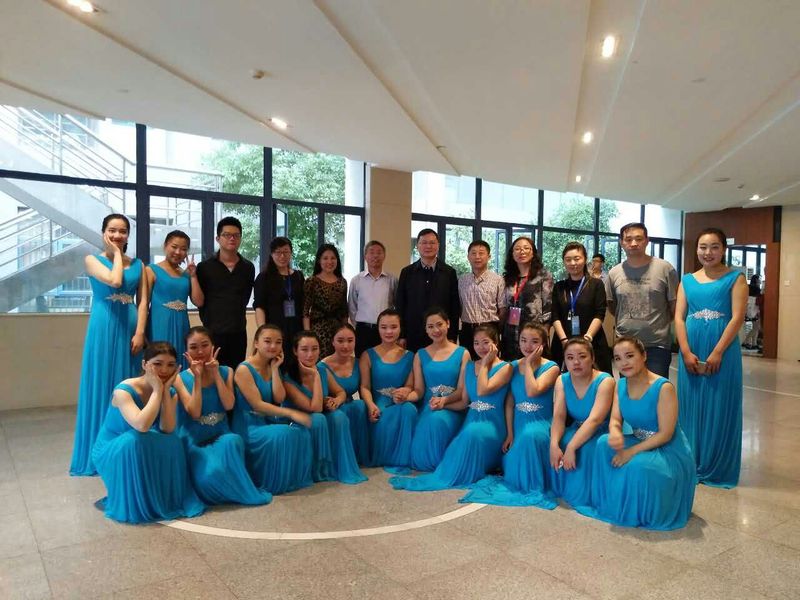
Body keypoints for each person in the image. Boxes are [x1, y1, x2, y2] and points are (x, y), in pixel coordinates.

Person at [588, 337, 696, 530]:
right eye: (618, 358)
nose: (624, 363)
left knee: (636, 465)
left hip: (667, 449)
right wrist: (615, 432)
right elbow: (615, 420)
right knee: (603, 443)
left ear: (644, 355)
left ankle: (642, 510)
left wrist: (630, 452)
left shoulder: (663, 387)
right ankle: (612, 502)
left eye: (629, 356)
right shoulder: (620, 385)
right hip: (639, 439)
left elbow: (665, 434)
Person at [91, 342, 205, 523]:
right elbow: (142, 425)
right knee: (135, 439)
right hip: (113, 447)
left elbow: (167, 428)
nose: (164, 370)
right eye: (157, 364)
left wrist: (165, 392)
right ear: (144, 364)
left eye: (170, 365)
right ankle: (137, 499)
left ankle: (163, 498)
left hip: (140, 439)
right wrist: (157, 391)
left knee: (173, 441)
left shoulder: (171, 391)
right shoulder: (124, 390)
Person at [389, 325, 512, 492]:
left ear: (495, 343)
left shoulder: (506, 368)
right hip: (471, 422)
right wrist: (443, 404)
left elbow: (482, 389)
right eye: (476, 343)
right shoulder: (470, 366)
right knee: (461, 442)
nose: (480, 347)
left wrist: (484, 364)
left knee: (471, 436)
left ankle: (489, 462)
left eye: (485, 342)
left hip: (492, 425)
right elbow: (463, 402)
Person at [71, 213, 148, 476]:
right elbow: (115, 281)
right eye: (112, 230)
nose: (118, 235)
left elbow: (143, 302)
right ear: (103, 232)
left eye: (123, 231)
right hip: (104, 327)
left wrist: (140, 332)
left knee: (128, 383)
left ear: (128, 235)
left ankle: (124, 450)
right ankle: (98, 452)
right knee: (101, 383)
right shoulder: (91, 260)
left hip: (130, 327)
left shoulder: (139, 264)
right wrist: (116, 253)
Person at [675, 228, 746, 488]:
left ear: (724, 249)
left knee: (719, 402)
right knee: (691, 405)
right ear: (696, 249)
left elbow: (737, 318)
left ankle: (717, 465)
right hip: (691, 348)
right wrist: (685, 351)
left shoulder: (735, 278)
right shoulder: (687, 280)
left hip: (723, 350)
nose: (708, 252)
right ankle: (691, 461)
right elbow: (678, 317)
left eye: (715, 247)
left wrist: (718, 352)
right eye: (703, 247)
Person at [462, 323, 560, 508]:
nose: (528, 346)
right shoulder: (512, 366)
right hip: (518, 422)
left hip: (540, 422)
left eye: (534, 341)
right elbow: (509, 403)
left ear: (543, 344)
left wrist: (529, 365)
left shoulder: (552, 367)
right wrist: (509, 433)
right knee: (518, 449)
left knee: (531, 436)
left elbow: (532, 391)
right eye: (523, 340)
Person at [173, 327, 271, 506]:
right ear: (186, 351)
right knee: (208, 478)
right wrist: (197, 378)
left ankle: (235, 487)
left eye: (205, 345)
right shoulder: (180, 378)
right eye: (194, 347)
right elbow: (194, 412)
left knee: (233, 441)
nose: (200, 351)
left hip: (221, 433)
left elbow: (228, 405)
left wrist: (215, 374)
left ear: (213, 346)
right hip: (195, 438)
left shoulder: (227, 371)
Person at [232, 325, 313, 494]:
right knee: (284, 433)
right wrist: (291, 413)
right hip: (249, 426)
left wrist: (275, 369)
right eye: (267, 341)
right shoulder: (244, 369)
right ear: (256, 343)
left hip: (267, 420)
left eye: (278, 342)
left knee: (302, 432)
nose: (273, 346)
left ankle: (291, 480)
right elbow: (257, 405)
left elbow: (279, 398)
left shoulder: (272, 365)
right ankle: (273, 482)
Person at [283, 331, 367, 484]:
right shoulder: (288, 378)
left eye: (314, 349)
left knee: (339, 416)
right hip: (297, 419)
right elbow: (314, 408)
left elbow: (341, 392)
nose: (310, 354)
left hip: (318, 413)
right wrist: (315, 376)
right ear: (295, 351)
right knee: (318, 418)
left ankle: (337, 465)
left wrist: (336, 401)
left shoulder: (322, 370)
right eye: (304, 349)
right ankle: (317, 469)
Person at [605, 223, 679, 377]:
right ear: (621, 242)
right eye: (628, 239)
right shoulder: (614, 273)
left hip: (657, 344)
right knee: (629, 388)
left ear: (647, 241)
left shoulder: (665, 269)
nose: (633, 243)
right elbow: (613, 306)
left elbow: (674, 305)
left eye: (638, 239)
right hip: (625, 344)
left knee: (656, 388)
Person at [549, 338, 614, 510]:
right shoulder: (562, 380)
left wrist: (572, 447)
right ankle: (567, 489)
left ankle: (592, 494)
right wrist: (554, 444)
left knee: (587, 447)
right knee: (559, 442)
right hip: (578, 427)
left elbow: (595, 420)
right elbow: (559, 416)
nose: (576, 362)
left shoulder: (605, 381)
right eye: (570, 358)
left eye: (582, 356)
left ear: (592, 358)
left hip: (601, 430)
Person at [406, 308, 470, 472]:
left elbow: (461, 390)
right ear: (426, 330)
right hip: (430, 407)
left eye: (439, 324)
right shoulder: (420, 355)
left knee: (438, 420)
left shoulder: (463, 353)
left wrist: (444, 401)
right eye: (430, 326)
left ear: (448, 324)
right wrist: (405, 396)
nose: (436, 330)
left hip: (453, 407)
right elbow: (419, 390)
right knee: (432, 418)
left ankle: (442, 463)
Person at [359, 309, 416, 469]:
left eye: (393, 327)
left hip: (399, 401)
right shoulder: (367, 355)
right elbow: (364, 387)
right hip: (378, 403)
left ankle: (404, 458)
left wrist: (405, 391)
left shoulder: (410, 356)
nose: (389, 332)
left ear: (400, 328)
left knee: (409, 409)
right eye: (384, 327)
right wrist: (370, 405)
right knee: (383, 417)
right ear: (378, 328)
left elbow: (410, 385)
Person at [195, 217, 254, 369]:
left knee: (235, 373)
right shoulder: (204, 267)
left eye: (236, 235)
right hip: (212, 332)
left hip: (238, 332)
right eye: (227, 235)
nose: (232, 238)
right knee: (211, 372)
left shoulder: (248, 267)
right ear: (218, 238)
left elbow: (245, 298)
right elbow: (199, 301)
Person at [145, 230, 204, 368]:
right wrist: (141, 331)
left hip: (182, 325)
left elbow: (198, 302)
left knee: (180, 363)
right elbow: (143, 304)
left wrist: (193, 276)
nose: (178, 252)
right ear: (165, 246)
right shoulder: (151, 270)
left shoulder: (186, 274)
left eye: (183, 249)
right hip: (159, 324)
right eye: (174, 247)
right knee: (159, 361)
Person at [551, 242, 612, 374]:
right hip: (563, 341)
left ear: (585, 259)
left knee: (597, 380)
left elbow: (600, 313)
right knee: (561, 380)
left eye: (577, 258)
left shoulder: (596, 284)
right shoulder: (559, 286)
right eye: (568, 260)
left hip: (592, 340)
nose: (573, 263)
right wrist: (564, 340)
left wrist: (587, 338)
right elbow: (555, 315)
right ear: (564, 262)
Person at [396, 229, 460, 352]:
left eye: (432, 243)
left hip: (440, 333)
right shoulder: (407, 272)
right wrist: (401, 335)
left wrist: (452, 335)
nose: (428, 246)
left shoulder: (449, 273)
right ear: (417, 246)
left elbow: (454, 307)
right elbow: (400, 305)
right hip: (413, 333)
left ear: (438, 245)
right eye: (424, 243)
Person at [320, 324, 369, 465]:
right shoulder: (322, 366)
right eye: (340, 341)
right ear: (332, 342)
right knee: (341, 414)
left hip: (349, 403)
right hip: (331, 408)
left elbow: (364, 388)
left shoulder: (359, 363)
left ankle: (359, 455)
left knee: (361, 405)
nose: (345, 346)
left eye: (350, 340)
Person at [253, 237, 305, 365]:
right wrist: (263, 332)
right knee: (275, 363)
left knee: (295, 364)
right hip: (274, 328)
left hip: (296, 328)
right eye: (278, 252)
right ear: (272, 254)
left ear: (291, 253)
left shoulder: (298, 276)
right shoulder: (263, 277)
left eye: (286, 252)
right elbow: (259, 306)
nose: (282, 256)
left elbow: (304, 305)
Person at [501, 236, 553, 360]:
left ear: (533, 252)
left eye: (526, 248)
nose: (522, 251)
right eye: (517, 249)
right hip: (510, 333)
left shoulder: (543, 276)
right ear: (512, 254)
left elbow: (548, 308)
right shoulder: (508, 277)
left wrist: (544, 334)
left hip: (533, 334)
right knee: (511, 367)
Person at [458, 240, 507, 359]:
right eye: (473, 253)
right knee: (468, 363)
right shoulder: (461, 280)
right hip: (467, 330)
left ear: (488, 256)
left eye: (481, 253)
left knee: (491, 363)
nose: (477, 257)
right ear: (468, 257)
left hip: (490, 329)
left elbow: (502, 309)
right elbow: (459, 306)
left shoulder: (498, 280)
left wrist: (496, 329)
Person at [348, 240, 398, 357]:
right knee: (362, 361)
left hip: (385, 330)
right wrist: (359, 325)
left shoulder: (392, 280)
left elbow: (396, 304)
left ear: (384, 256)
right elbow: (352, 307)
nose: (375, 256)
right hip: (363, 330)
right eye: (371, 252)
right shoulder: (356, 280)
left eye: (379, 252)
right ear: (365, 256)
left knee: (384, 360)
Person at [303, 244, 348, 358]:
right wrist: (308, 334)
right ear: (319, 261)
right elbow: (305, 311)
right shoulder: (311, 281)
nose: (329, 261)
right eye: (325, 258)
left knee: (337, 361)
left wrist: (345, 331)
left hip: (337, 330)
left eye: (333, 258)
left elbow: (344, 310)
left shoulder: (342, 282)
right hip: (317, 330)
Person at [743, 274, 762, 350]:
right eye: (759, 279)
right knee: (756, 327)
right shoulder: (757, 288)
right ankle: (746, 342)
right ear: (757, 280)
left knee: (754, 327)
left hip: (748, 308)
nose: (760, 280)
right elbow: (757, 300)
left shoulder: (748, 287)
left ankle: (753, 343)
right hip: (754, 309)